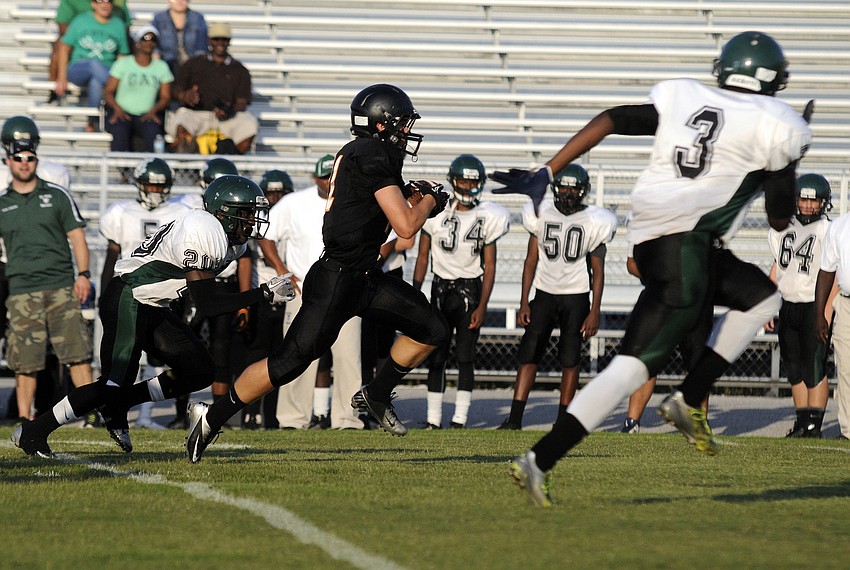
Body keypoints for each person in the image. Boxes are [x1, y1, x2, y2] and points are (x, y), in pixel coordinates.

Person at [491, 31, 811, 506]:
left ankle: (538, 461)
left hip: (657, 240)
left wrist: (549, 169)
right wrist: (784, 167)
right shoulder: (777, 123)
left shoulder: (688, 97)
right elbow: (781, 218)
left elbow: (612, 118)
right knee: (638, 366)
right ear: (771, 79)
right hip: (688, 245)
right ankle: (688, 397)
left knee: (756, 300)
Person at [186, 83, 451, 463]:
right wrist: (430, 200)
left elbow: (370, 210)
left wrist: (410, 195)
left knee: (434, 328)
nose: (407, 131)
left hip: (364, 275)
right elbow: (407, 227)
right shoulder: (373, 153)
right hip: (337, 278)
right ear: (382, 124)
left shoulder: (366, 153)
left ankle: (376, 394)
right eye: (402, 123)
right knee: (288, 363)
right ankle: (210, 417)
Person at [12, 175, 294, 457]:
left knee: (199, 370)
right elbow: (208, 303)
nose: (252, 221)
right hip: (129, 297)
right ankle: (33, 431)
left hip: (154, 304)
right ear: (224, 212)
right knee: (111, 385)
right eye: (246, 213)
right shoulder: (203, 229)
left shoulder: (230, 241)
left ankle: (120, 404)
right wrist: (263, 293)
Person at [496, 164, 616, 430]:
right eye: (564, 187)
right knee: (529, 354)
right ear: (556, 188)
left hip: (576, 296)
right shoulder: (540, 212)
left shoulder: (596, 220)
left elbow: (598, 271)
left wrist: (595, 310)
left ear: (583, 190)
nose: (568, 193)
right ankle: (514, 418)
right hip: (544, 294)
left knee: (570, 359)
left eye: (574, 188)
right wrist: (524, 301)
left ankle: (563, 421)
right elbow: (531, 260)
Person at [257, 158, 365, 430]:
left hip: (347, 290)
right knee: (296, 354)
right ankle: (293, 419)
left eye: (333, 176)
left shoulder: (357, 200)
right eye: (325, 177)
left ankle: (348, 419)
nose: (329, 182)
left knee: (348, 358)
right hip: (305, 291)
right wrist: (282, 269)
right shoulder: (293, 203)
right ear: (315, 178)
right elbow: (265, 235)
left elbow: (387, 240)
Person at [413, 154, 510, 429]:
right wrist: (416, 293)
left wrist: (483, 305)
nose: (467, 187)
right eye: (463, 181)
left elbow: (490, 266)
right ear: (453, 181)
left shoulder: (489, 216)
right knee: (437, 355)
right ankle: (433, 419)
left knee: (466, 356)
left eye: (472, 182)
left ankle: (460, 418)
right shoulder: (436, 213)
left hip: (470, 290)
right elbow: (422, 257)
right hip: (440, 288)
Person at [0, 139, 94, 422]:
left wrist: (83, 274)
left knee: (77, 354)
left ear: (36, 161)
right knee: (25, 361)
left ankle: (92, 414)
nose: (24, 163)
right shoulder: (2, 203)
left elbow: (77, 237)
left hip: (61, 286)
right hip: (21, 290)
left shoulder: (56, 195)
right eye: (18, 158)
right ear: (8, 162)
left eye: (29, 157)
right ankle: (24, 419)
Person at [99, 157, 189, 429]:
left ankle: (150, 415)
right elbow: (112, 256)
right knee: (124, 355)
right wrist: (104, 294)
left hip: (164, 294)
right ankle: (112, 410)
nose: (155, 191)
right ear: (140, 184)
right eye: (150, 185)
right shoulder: (121, 213)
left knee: (163, 355)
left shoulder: (181, 211)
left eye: (160, 186)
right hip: (128, 292)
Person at [167, 156, 241, 430]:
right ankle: (180, 412)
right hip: (194, 281)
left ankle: (218, 414)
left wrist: (244, 299)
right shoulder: (186, 207)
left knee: (222, 350)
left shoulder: (237, 207)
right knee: (184, 348)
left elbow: (245, 256)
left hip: (225, 281)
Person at [767, 174, 835, 439]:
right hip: (788, 304)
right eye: (803, 200)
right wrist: (768, 303)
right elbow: (778, 265)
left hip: (813, 306)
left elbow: (834, 271)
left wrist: (826, 310)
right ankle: (802, 421)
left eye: (813, 201)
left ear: (824, 203)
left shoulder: (827, 230)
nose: (807, 206)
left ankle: (814, 426)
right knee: (794, 368)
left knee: (814, 366)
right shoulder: (783, 227)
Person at [241, 168, 295, 429]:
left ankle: (272, 415)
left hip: (287, 298)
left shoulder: (293, 218)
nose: (275, 199)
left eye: (280, 194)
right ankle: (250, 413)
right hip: (261, 296)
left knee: (279, 360)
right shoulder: (254, 222)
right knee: (255, 358)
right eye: (271, 194)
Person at [169, 22, 257, 155]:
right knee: (182, 121)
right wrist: (185, 96)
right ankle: (189, 154)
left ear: (229, 42)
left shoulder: (240, 70)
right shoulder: (193, 64)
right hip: (197, 114)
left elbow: (242, 102)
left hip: (227, 118)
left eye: (224, 39)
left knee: (249, 123)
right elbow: (175, 90)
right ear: (209, 41)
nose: (220, 43)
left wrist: (228, 109)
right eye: (216, 39)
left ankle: (233, 156)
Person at [55, 0, 131, 132]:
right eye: (99, 1)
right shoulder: (81, 20)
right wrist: (61, 77)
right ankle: (119, 88)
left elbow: (122, 55)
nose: (104, 4)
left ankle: (92, 121)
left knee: (96, 82)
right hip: (79, 68)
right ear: (93, 4)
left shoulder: (118, 25)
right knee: (94, 63)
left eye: (108, 1)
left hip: (105, 69)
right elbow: (64, 47)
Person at [103, 25, 174, 152]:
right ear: (138, 42)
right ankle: (121, 164)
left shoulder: (162, 67)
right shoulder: (123, 64)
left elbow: (165, 96)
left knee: (154, 134)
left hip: (147, 115)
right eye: (145, 38)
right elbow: (108, 91)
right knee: (119, 132)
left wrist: (154, 110)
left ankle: (153, 164)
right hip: (123, 113)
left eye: (153, 39)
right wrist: (117, 108)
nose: (149, 42)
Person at [817, 198, 850, 440]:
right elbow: (826, 270)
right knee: (846, 369)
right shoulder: (840, 225)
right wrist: (819, 313)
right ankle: (849, 430)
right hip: (847, 304)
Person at [152, 0, 208, 75]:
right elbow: (154, 44)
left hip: (191, 64)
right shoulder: (159, 18)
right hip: (166, 63)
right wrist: (157, 63)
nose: (179, 1)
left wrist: (197, 66)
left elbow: (201, 47)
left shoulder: (198, 18)